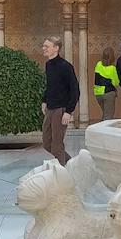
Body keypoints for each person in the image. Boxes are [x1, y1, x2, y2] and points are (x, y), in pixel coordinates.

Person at [40, 36, 78, 164]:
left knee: (57, 145)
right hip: (50, 108)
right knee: (47, 143)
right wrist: (44, 100)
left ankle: (63, 172)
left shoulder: (66, 66)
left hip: (60, 110)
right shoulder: (48, 65)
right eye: (44, 46)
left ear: (56, 48)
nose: (44, 48)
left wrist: (68, 111)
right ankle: (71, 163)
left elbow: (75, 90)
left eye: (47, 46)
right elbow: (50, 86)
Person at [93, 47, 120, 121]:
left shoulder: (98, 64)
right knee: (108, 116)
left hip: (98, 93)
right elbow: (116, 82)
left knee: (105, 114)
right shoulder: (112, 68)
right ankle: (104, 128)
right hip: (108, 93)